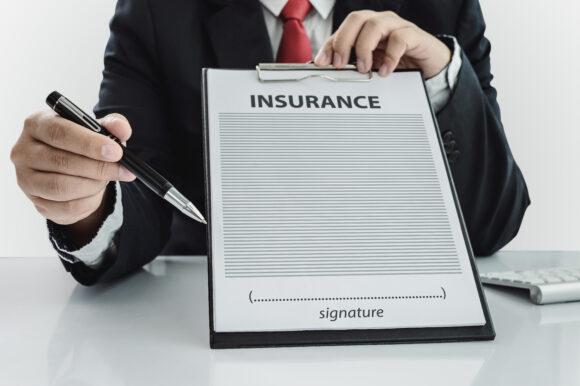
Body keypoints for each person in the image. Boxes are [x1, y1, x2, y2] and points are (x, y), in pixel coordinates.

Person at [10, 0, 530, 285]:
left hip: (399, 307)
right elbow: (138, 192)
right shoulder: (155, 12)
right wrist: (83, 206)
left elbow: (491, 225)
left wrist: (439, 83)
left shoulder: (441, 6)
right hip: (211, 314)